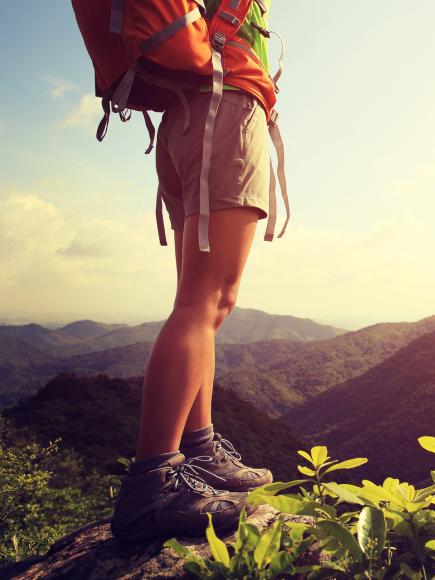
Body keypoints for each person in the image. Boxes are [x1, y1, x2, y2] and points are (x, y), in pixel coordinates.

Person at [110, 0, 277, 543]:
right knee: (207, 303)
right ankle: (150, 485)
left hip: (185, 115)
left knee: (195, 300)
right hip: (224, 107)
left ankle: (199, 451)